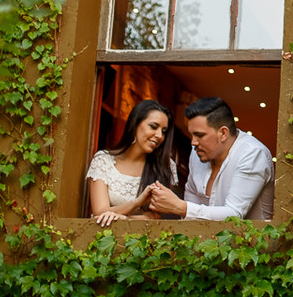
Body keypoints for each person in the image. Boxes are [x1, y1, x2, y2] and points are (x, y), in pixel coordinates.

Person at [147, 96, 274, 221]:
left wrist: (180, 207)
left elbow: (234, 214)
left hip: (250, 241)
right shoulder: (197, 152)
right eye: (191, 135)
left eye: (199, 135)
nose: (193, 142)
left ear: (223, 133)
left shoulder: (252, 154)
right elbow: (191, 211)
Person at [86, 98, 178, 227]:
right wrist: (137, 202)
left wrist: (123, 218)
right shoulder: (104, 160)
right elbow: (100, 212)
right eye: (153, 126)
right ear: (135, 124)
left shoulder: (165, 165)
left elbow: (155, 217)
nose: (159, 135)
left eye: (164, 131)